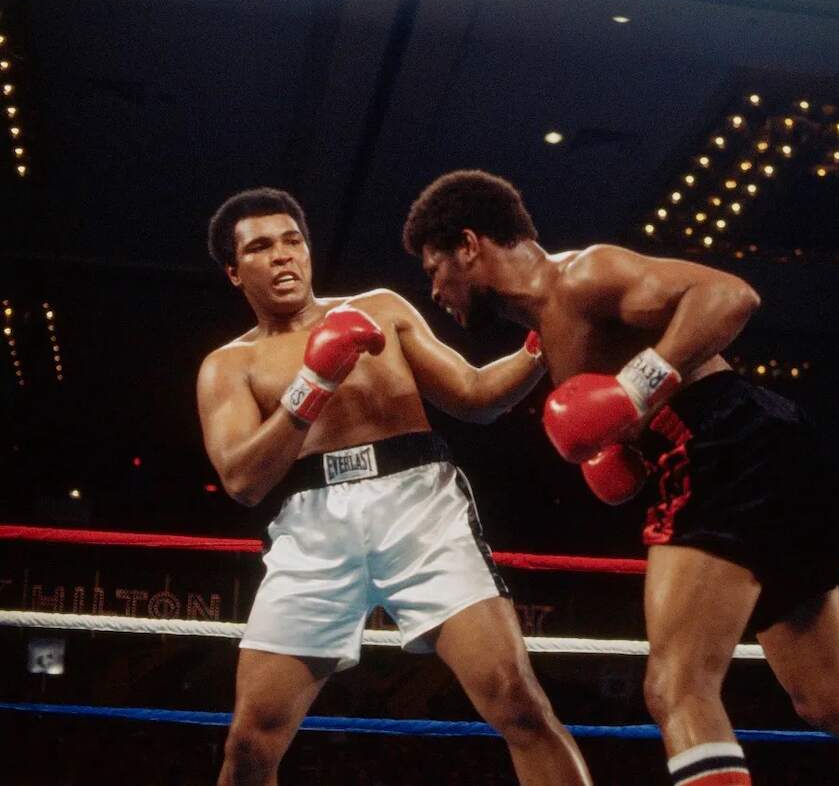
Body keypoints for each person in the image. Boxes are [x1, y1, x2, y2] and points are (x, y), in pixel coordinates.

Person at [402, 169, 839, 786]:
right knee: (825, 697)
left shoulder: (583, 276)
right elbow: (493, 401)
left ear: (470, 245)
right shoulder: (549, 335)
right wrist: (624, 450)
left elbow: (728, 296)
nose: (434, 290)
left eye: (433, 269)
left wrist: (630, 393)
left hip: (723, 441)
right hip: (763, 446)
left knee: (677, 687)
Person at [197, 187, 591, 786]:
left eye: (292, 241)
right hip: (313, 531)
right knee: (250, 744)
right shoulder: (228, 366)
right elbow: (243, 480)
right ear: (234, 271)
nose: (282, 256)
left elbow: (476, 396)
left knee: (518, 701)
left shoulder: (379, 307)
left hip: (420, 511)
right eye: (259, 248)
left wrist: (544, 341)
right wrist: (313, 381)